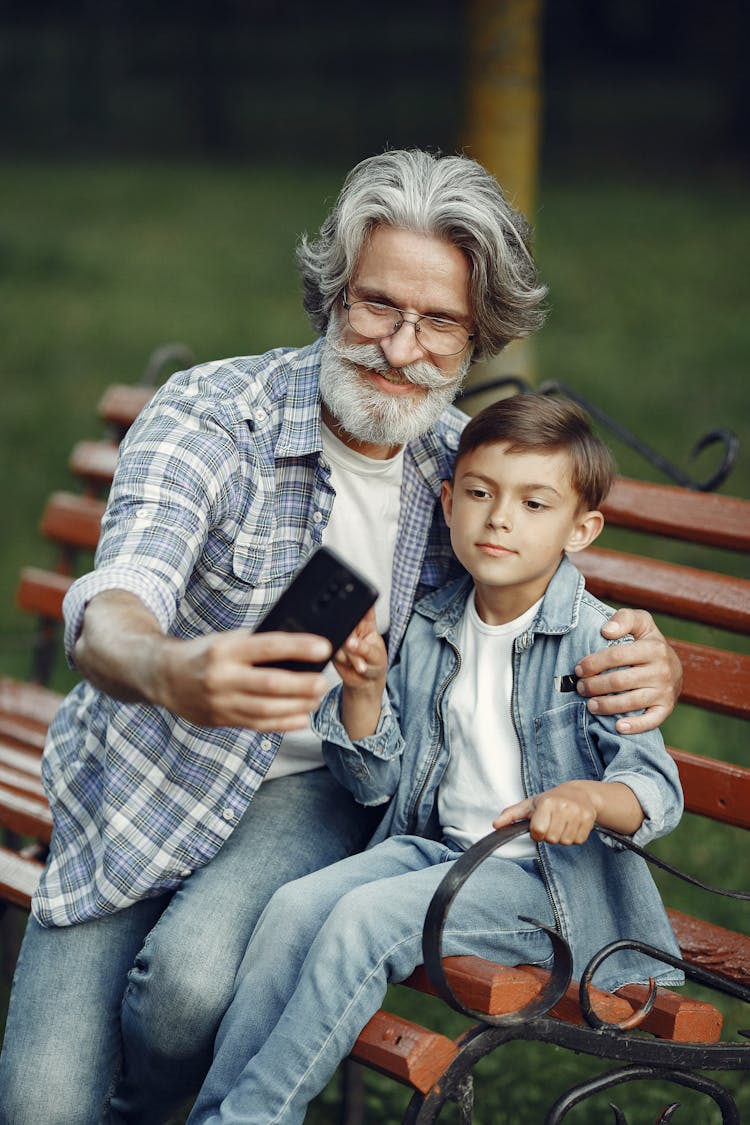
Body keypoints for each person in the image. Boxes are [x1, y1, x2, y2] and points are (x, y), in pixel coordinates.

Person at [0, 151, 681, 1125]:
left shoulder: (459, 471)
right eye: (376, 306)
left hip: (323, 785)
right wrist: (170, 667)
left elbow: (545, 590)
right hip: (152, 769)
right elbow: (116, 600)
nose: (401, 348)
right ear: (331, 294)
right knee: (35, 1111)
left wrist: (638, 656)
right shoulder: (212, 416)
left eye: (440, 322)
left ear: (478, 341)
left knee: (188, 987)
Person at [186, 394, 685, 1125]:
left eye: (534, 503)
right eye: (480, 493)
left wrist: (586, 797)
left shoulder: (600, 642)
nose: (499, 517)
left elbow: (653, 787)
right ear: (448, 502)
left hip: (546, 881)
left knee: (362, 918)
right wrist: (363, 692)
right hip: (437, 850)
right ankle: (216, 1109)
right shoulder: (431, 623)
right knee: (293, 905)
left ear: (581, 529)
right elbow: (375, 785)